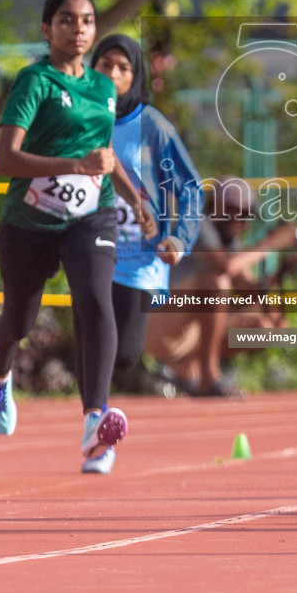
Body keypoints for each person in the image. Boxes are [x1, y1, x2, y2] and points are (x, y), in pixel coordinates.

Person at [0, 0, 156, 475]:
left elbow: (104, 154)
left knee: (96, 302)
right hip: (29, 222)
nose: (77, 28)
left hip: (90, 216)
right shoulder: (34, 81)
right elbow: (4, 159)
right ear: (46, 29)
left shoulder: (104, 88)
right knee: (18, 322)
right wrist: (73, 165)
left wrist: (135, 200)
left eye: (85, 20)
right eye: (65, 20)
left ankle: (95, 423)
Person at [89, 33, 203, 390]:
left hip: (139, 255)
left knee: (123, 355)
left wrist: (180, 239)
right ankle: (94, 416)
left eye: (123, 67)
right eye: (105, 64)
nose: (112, 73)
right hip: (91, 245)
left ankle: (101, 405)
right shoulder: (81, 119)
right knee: (95, 346)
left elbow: (191, 187)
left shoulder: (151, 124)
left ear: (134, 76)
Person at [149, 179, 296, 396]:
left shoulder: (228, 241)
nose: (244, 223)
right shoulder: (197, 224)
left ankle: (185, 368)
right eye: (240, 214)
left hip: (186, 332)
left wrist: (288, 266)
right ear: (220, 208)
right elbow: (224, 267)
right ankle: (208, 378)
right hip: (157, 324)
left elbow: (250, 291)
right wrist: (272, 243)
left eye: (248, 215)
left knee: (268, 327)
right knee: (215, 282)